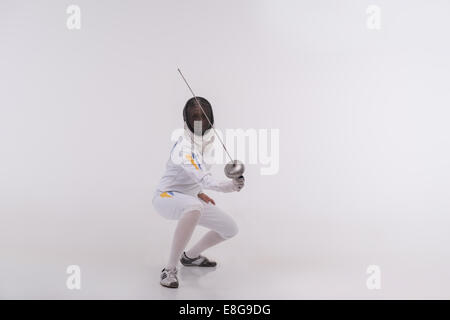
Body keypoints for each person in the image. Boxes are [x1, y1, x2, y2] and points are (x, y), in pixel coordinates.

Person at [152, 96, 245, 288]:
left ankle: (191, 256)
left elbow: (195, 177)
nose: (200, 121)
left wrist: (198, 191)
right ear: (186, 120)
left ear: (211, 118)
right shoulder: (183, 148)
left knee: (230, 228)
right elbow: (202, 176)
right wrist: (229, 186)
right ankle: (169, 269)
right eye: (195, 116)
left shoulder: (208, 144)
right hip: (165, 196)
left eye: (204, 116)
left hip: (189, 197)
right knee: (194, 207)